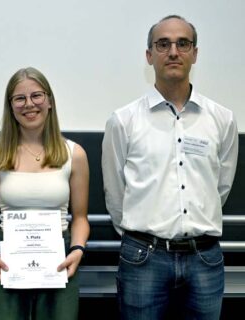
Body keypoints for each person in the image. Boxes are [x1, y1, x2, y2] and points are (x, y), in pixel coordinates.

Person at [102, 15, 238, 319]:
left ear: (195, 53)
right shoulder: (123, 120)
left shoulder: (221, 119)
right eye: (163, 44)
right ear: (149, 55)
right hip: (143, 258)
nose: (173, 51)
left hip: (205, 258)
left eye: (182, 43)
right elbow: (115, 192)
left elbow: (220, 187)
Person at [0, 67, 90, 320]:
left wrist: (77, 250)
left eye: (37, 96)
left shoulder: (75, 154)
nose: (29, 104)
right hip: (7, 262)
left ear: (49, 101)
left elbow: (81, 218)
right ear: (11, 106)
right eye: (20, 98)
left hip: (61, 261)